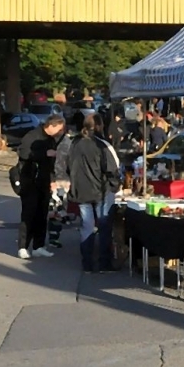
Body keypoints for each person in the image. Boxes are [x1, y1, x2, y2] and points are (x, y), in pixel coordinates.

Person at [63, 112, 120, 272]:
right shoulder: (101, 144)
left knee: (87, 227)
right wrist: (115, 186)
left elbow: (68, 166)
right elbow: (112, 169)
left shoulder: (74, 143)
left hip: (81, 191)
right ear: (100, 126)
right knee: (104, 227)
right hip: (100, 190)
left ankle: (87, 263)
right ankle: (104, 263)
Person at [16, 114, 66, 259]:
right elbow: (24, 154)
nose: (60, 132)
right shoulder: (32, 136)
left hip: (44, 181)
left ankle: (39, 246)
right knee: (28, 214)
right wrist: (44, 153)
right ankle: (23, 246)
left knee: (42, 214)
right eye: (59, 129)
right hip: (30, 181)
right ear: (52, 125)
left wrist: (52, 179)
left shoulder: (51, 139)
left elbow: (49, 164)